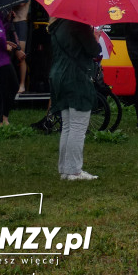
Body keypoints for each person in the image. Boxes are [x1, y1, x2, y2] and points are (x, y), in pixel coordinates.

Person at [49, 18, 100, 180]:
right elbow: (94, 50)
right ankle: (74, 171)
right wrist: (95, 38)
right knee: (78, 127)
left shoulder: (56, 26)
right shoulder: (79, 25)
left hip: (59, 76)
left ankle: (65, 169)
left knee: (68, 126)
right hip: (76, 77)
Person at [9, 1, 30, 93]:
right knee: (10, 54)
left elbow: (21, 3)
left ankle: (22, 84)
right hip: (11, 22)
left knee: (21, 55)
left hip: (20, 22)